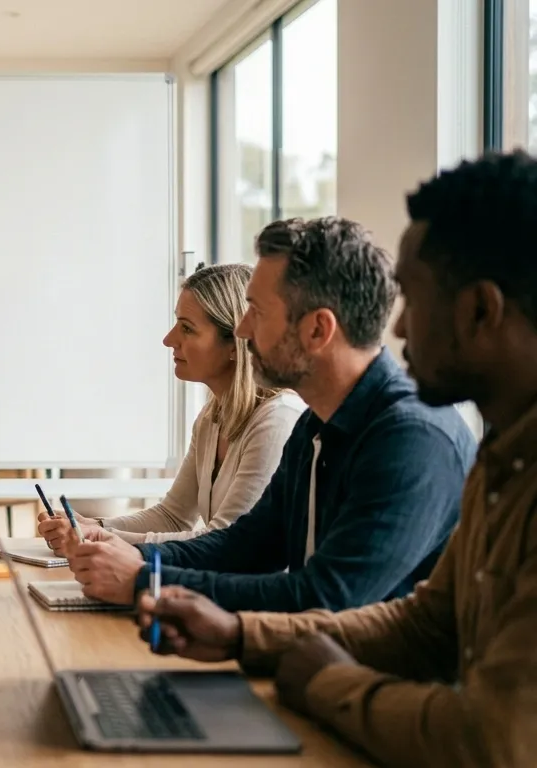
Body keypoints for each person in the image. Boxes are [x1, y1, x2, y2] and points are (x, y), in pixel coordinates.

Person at [134, 151, 537, 767]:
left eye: (416, 299)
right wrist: (243, 634)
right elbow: (425, 625)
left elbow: (490, 739)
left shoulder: (418, 439)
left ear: (481, 310)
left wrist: (324, 682)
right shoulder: (501, 459)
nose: (397, 328)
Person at [41, 216, 475, 612]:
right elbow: (246, 546)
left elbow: (324, 598)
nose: (244, 330)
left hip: (379, 686)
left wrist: (144, 580)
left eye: (257, 312)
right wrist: (136, 559)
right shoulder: (316, 423)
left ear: (317, 329)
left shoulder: (411, 440)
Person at [39, 263, 304, 544]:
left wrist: (101, 537)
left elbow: (226, 542)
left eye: (187, 329)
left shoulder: (278, 421)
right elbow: (172, 516)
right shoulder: (212, 417)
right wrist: (94, 525)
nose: (169, 339)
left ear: (235, 343)